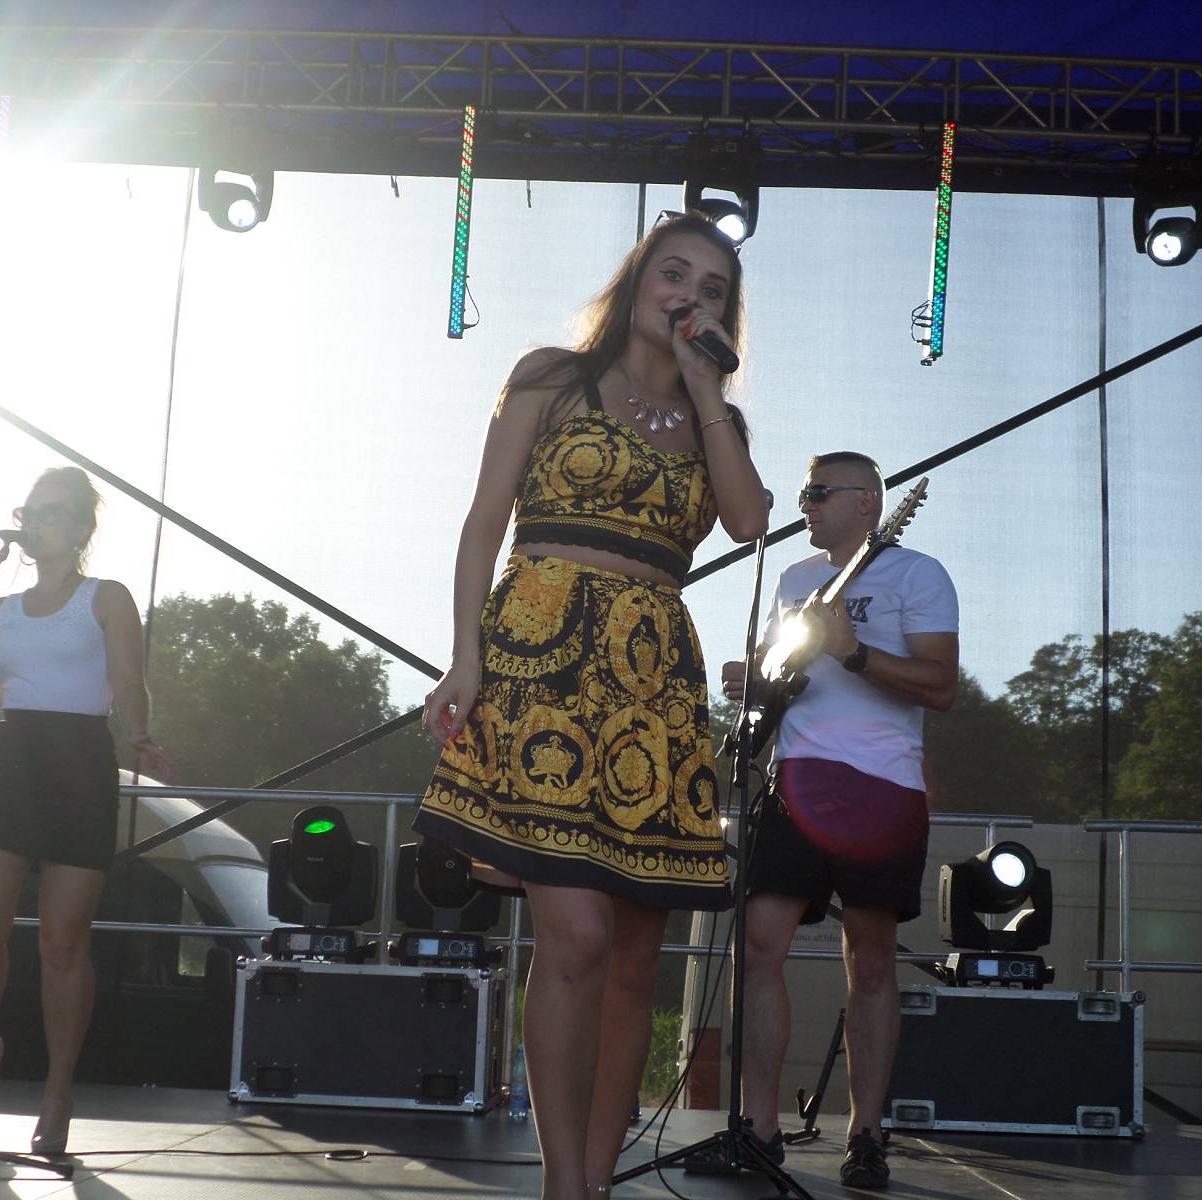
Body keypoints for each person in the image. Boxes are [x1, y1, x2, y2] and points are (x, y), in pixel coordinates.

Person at [413, 214, 769, 1200]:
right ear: (637, 280)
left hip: (653, 682)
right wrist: (464, 659)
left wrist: (706, 389)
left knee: (633, 960)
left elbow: (748, 520)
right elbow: (483, 522)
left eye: (710, 288)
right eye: (673, 273)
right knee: (573, 933)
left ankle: (596, 1182)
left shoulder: (714, 418)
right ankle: (562, 1181)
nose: (687, 295)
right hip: (541, 656)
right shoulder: (551, 378)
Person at [0, 466, 170, 1157]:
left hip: (80, 765)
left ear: (81, 528)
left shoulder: (106, 598)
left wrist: (141, 733)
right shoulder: (0, 611)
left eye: (52, 512)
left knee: (61, 944)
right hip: (13, 762)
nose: (36, 522)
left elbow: (129, 678)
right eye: (31, 511)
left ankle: (58, 1088)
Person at [721, 451, 958, 1189]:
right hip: (795, 780)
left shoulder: (917, 575)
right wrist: (752, 679)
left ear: (867, 502)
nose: (807, 505)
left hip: (881, 788)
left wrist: (854, 654)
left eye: (819, 492)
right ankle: (759, 1125)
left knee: (872, 959)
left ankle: (866, 1132)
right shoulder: (794, 580)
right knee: (759, 946)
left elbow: (941, 685)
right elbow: (781, 673)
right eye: (803, 493)